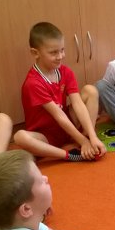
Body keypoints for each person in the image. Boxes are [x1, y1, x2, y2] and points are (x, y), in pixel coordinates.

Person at [13, 22, 106, 162]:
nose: (60, 56)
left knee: (90, 91)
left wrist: (92, 137)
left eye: (62, 50)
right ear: (35, 53)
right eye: (53, 52)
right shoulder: (33, 83)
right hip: (46, 136)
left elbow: (78, 104)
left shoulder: (65, 72)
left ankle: (88, 139)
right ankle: (68, 155)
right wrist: (82, 141)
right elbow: (58, 115)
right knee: (20, 137)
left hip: (67, 126)